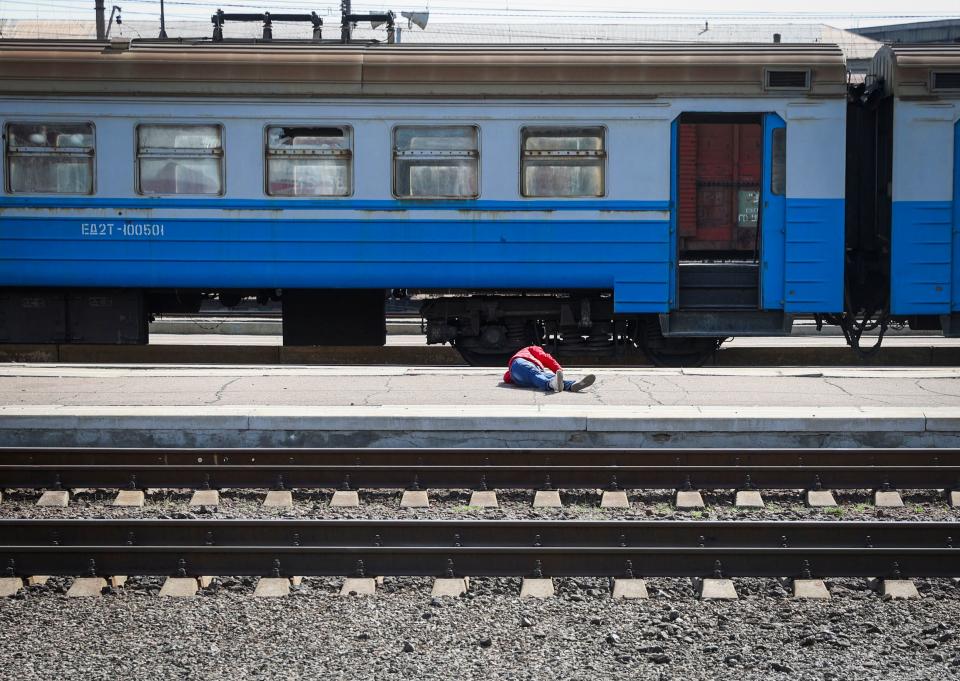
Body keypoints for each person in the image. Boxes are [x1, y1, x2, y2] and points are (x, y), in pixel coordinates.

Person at [503, 345, 596, 393]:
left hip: (521, 378)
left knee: (544, 375)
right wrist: (559, 370)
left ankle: (572, 385)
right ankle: (551, 384)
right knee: (535, 373)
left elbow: (507, 377)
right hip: (519, 363)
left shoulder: (537, 368)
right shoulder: (531, 349)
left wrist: (511, 377)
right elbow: (546, 358)